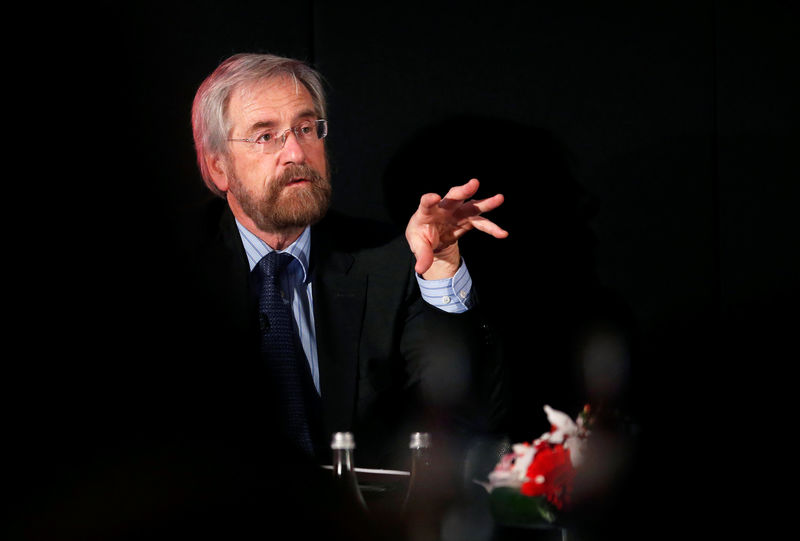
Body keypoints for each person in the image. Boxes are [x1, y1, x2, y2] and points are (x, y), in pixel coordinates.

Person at [163, 52, 510, 473]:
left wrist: (441, 267)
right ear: (219, 168)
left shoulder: (384, 261)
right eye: (265, 136)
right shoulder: (174, 273)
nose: (296, 152)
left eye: (307, 128)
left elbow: (464, 418)